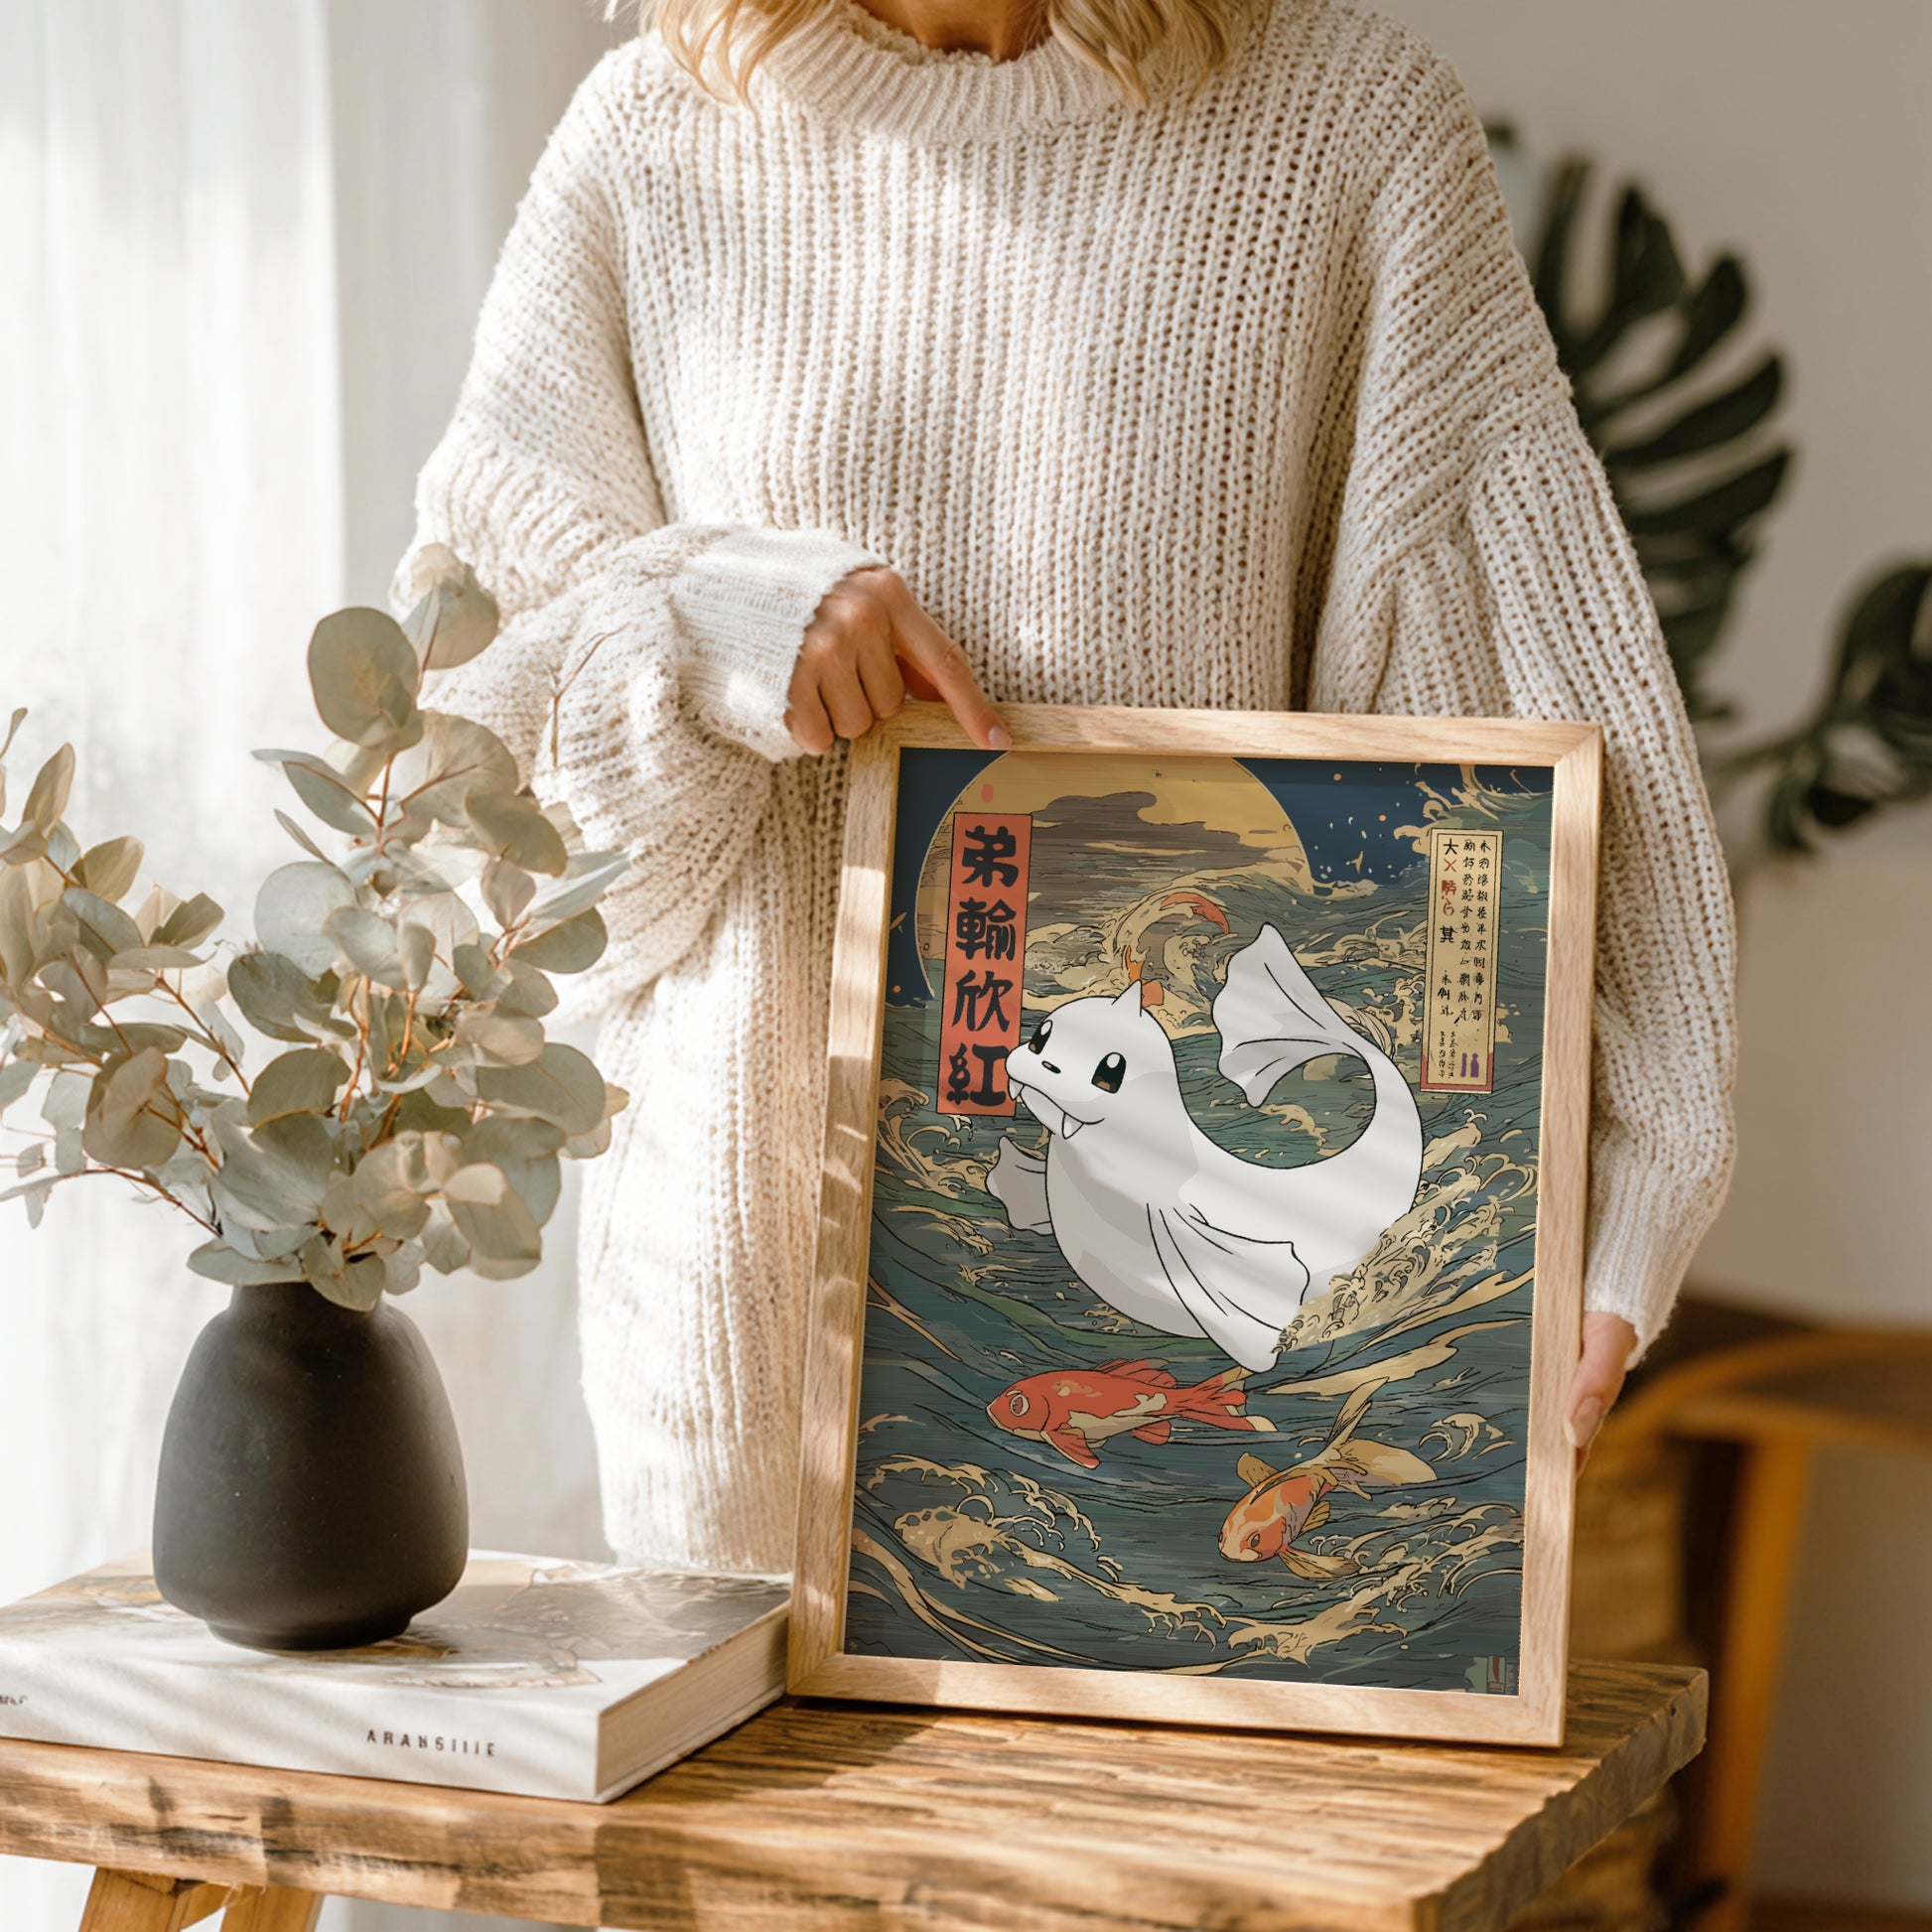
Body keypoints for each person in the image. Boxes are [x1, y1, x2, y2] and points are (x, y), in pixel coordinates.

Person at [393, 0, 1736, 1576]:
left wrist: (1626, 1171)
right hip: (738, 1341)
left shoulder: (1343, 127)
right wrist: (706, 620)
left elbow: (1517, 698)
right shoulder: (650, 140)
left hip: (1195, 1359)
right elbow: (465, 824)